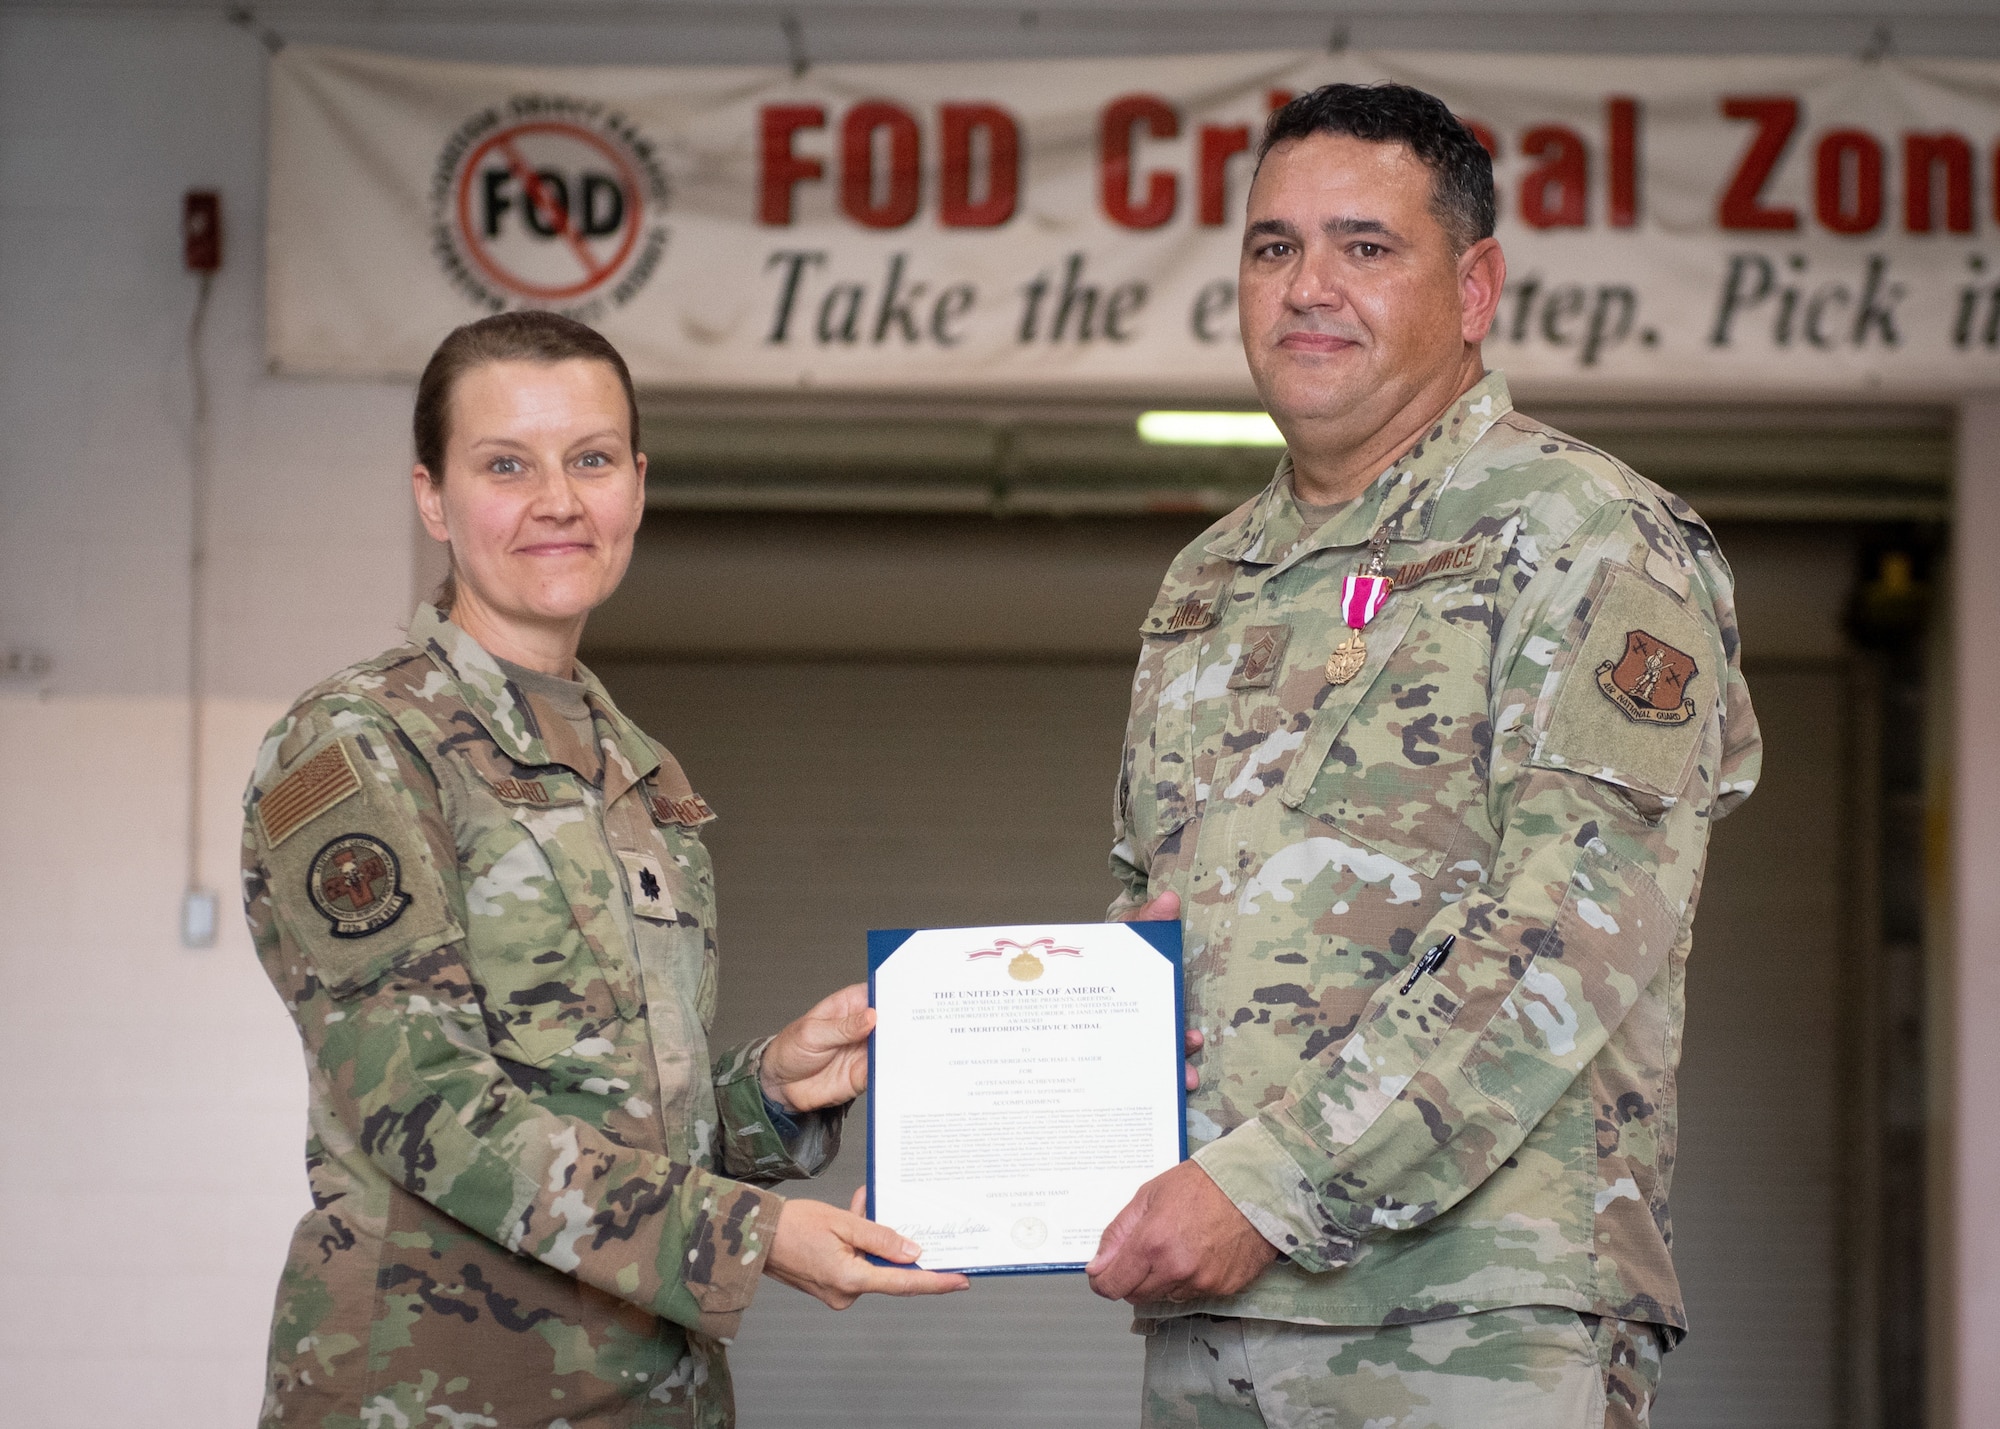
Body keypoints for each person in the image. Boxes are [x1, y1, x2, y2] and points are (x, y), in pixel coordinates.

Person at [1086, 83, 1762, 1428]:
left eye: (1365, 246)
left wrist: (1268, 1187)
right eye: (1273, 248)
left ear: (1475, 287)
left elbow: (1567, 936)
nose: (1307, 287)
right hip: (1214, 1320)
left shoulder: (1589, 534)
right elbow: (1154, 917)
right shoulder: (1211, 578)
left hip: (1468, 1320)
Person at [241, 311, 967, 1429]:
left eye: (588, 460)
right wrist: (753, 1236)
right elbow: (422, 1104)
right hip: (435, 1397)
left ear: (635, 483)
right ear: (432, 497)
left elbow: (612, 1115)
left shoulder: (633, 766)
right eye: (504, 465)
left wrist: (769, 1085)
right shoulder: (358, 747)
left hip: (646, 1394)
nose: (556, 502)